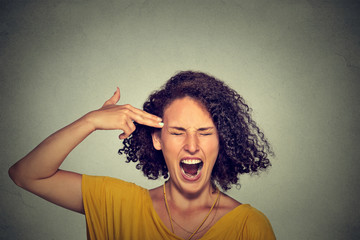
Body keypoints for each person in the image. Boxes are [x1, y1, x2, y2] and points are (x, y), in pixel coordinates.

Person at [9, 71, 275, 239]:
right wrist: (89, 121)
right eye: (178, 132)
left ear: (221, 141)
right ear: (158, 139)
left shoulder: (249, 227)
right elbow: (26, 175)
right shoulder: (118, 205)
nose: (192, 146)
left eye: (205, 133)